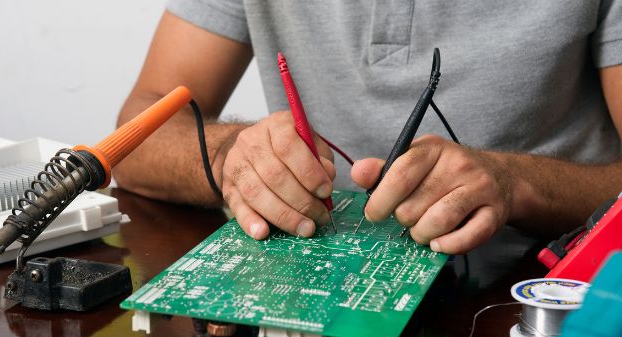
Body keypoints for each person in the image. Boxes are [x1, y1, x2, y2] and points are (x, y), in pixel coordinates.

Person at [114, 1, 622, 255]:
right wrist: (231, 160)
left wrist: (516, 186)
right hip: (308, 277)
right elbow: (137, 134)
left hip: (534, 294)